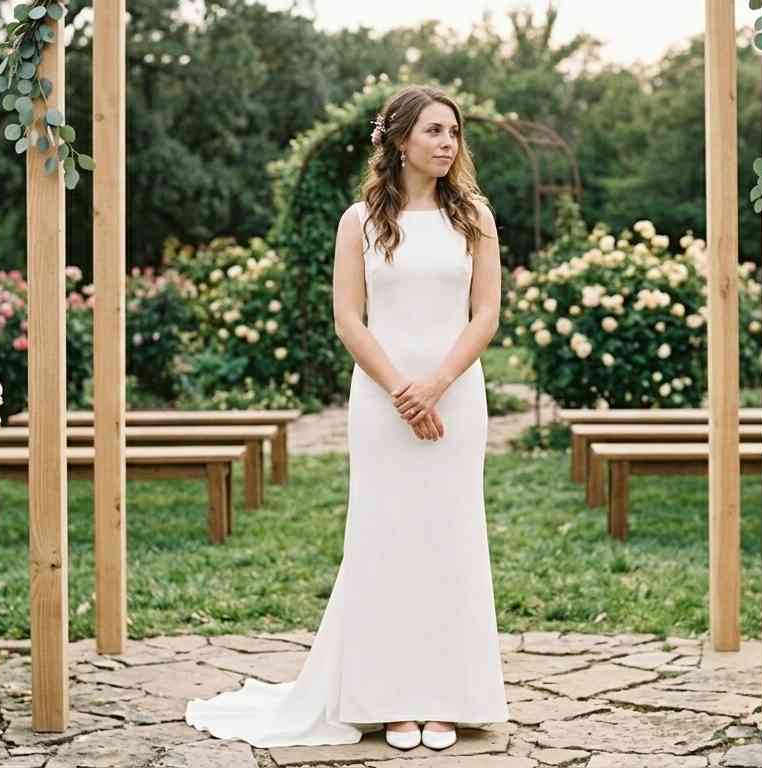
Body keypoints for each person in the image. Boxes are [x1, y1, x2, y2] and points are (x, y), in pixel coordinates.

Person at [183, 84, 509, 752]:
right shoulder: (358, 221)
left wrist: (437, 383)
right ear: (398, 140)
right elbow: (348, 318)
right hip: (382, 402)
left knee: (449, 539)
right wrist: (400, 390)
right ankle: (389, 698)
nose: (448, 143)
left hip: (455, 395)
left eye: (454, 132)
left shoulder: (474, 215)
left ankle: (447, 697)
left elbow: (486, 314)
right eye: (434, 132)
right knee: (384, 539)